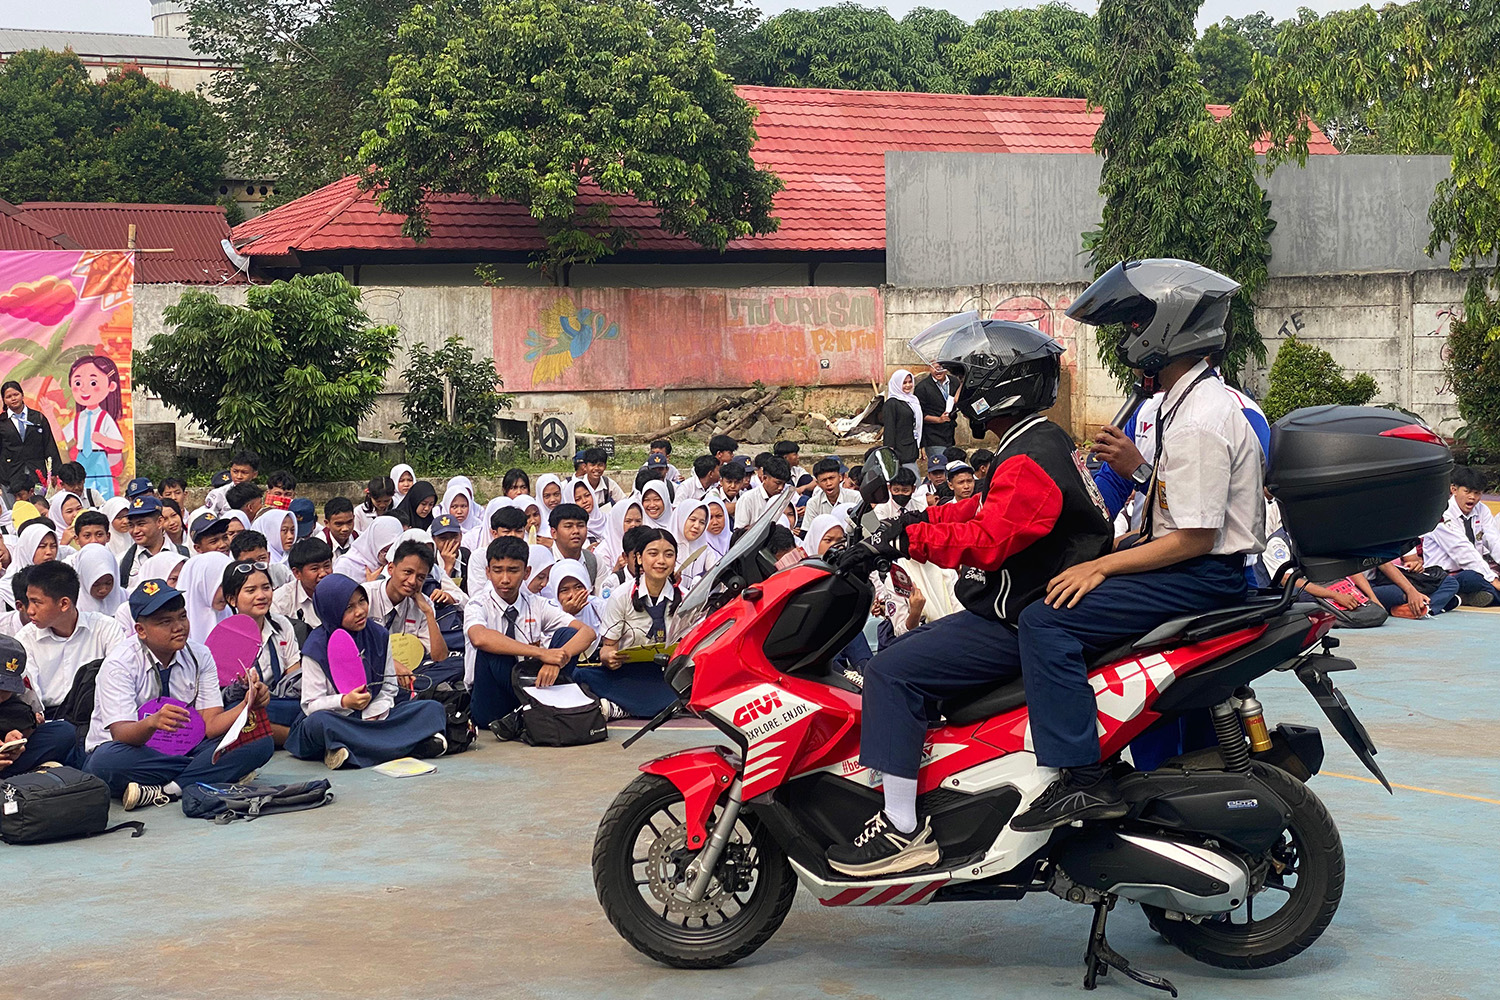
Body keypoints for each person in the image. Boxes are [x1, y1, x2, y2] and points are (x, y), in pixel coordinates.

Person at [825, 315, 1114, 878]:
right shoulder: (1032, 443)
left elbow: (988, 538)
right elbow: (979, 509)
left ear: (994, 386)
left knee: (890, 670)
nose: (957, 396)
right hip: (1019, 607)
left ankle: (903, 827)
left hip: (1019, 617)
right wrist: (908, 523)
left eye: (963, 382)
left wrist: (910, 537)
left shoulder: (1029, 456)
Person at [1002, 260, 1266, 832]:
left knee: (1045, 622)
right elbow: (1181, 509)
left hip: (1205, 573)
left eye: (1135, 322)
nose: (1128, 336)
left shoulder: (1198, 418)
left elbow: (1194, 538)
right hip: (1202, 565)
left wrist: (1101, 566)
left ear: (1169, 326)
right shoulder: (1185, 403)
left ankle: (1082, 777)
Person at [83, 579, 276, 809]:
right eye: (165, 622)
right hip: (132, 751)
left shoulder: (200, 654)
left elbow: (211, 724)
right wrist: (152, 723)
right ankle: (203, 772)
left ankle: (167, 789)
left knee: (260, 741)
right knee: (105, 763)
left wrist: (246, 704)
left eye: (182, 616)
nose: (179, 627)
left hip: (185, 746)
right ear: (141, 631)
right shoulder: (119, 664)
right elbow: (121, 733)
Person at [286, 573, 448, 769]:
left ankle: (347, 749)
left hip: (376, 716)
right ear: (331, 610)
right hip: (339, 718)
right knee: (318, 724)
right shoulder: (316, 647)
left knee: (432, 709)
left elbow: (389, 687)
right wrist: (345, 701)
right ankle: (407, 745)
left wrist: (374, 711)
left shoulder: (378, 634)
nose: (360, 611)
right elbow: (310, 705)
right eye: (349, 608)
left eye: (362, 601)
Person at [464, 536, 597, 729]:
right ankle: (530, 714)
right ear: (488, 572)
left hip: (532, 689)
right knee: (492, 647)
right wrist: (541, 653)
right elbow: (479, 637)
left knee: (567, 635)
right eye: (497, 570)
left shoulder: (536, 603)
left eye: (513, 570)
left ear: (526, 572)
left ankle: (531, 712)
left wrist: (559, 660)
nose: (505, 579)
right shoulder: (477, 604)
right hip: (491, 699)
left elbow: (587, 632)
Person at [577, 526, 682, 720]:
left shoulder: (684, 596)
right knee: (582, 674)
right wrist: (610, 658)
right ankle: (665, 706)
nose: (661, 561)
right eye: (653, 554)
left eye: (669, 554)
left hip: (667, 674)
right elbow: (608, 647)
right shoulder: (621, 596)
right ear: (640, 559)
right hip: (629, 672)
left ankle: (623, 708)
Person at [18, 560, 129, 735]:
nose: (29, 610)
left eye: (36, 602)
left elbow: (121, 679)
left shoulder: (105, 628)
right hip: (50, 723)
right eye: (28, 601)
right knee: (63, 735)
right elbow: (30, 692)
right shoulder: (25, 639)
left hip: (96, 718)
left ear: (64, 604)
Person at [219, 560, 303, 746]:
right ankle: (305, 740)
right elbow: (222, 695)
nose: (261, 596)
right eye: (251, 591)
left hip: (279, 702)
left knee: (307, 706)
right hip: (247, 705)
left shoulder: (282, 625)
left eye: (266, 588)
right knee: (240, 715)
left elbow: (294, 676)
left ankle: (291, 737)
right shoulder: (223, 638)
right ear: (232, 599)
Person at [1, 636, 83, 775]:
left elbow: (33, 718)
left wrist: (15, 738)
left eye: (7, 689)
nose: (1, 696)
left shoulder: (22, 678)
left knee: (64, 731)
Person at [1421, 466, 1500, 605]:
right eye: (1467, 491)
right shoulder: (1441, 513)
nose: (1472, 497)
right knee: (1473, 578)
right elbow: (1463, 551)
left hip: (1474, 569)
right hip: (1444, 575)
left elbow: (1494, 541)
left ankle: (1467, 597)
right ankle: (1473, 596)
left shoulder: (1482, 510)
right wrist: (1493, 580)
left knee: (1484, 575)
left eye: (1477, 493)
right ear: (1454, 490)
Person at [363, 539, 449, 664]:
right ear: (391, 568)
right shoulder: (365, 595)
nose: (412, 581)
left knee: (454, 666)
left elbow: (440, 657)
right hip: (371, 665)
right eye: (408, 572)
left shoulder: (424, 604)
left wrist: (429, 613)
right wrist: (391, 665)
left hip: (410, 672)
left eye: (421, 577)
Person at [0, 380, 63, 503]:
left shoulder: (38, 418)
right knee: (16, 511)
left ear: (22, 395)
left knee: (39, 507)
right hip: (11, 474)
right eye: (8, 397)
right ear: (4, 400)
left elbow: (49, 444)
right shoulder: (2, 422)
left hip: (37, 473)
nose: (13, 398)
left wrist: (55, 472)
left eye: (15, 394)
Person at [119, 497, 189, 592]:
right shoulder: (123, 562)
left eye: (141, 524)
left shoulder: (183, 554)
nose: (135, 531)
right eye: (131, 525)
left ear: (160, 522)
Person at [274, 537, 333, 628]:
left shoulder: (342, 592)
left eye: (327, 566)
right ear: (297, 573)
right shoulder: (280, 601)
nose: (323, 573)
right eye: (315, 569)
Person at [333, 515, 403, 582]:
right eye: (385, 550)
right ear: (373, 544)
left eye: (394, 549)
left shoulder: (397, 564)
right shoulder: (346, 566)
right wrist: (370, 586)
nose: (388, 555)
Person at [883, 369, 923, 475]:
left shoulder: (912, 400)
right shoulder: (892, 403)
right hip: (900, 451)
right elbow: (889, 429)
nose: (908, 385)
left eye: (910, 382)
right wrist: (889, 453)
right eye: (904, 383)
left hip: (911, 447)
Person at [914, 361, 958, 454]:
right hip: (933, 435)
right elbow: (919, 414)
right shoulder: (922, 387)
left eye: (941, 367)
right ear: (929, 368)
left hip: (949, 433)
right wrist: (938, 419)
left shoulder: (954, 382)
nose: (938, 371)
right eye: (934, 367)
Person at [549, 503, 598, 588]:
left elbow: (601, 598)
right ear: (554, 533)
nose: (576, 531)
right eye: (568, 526)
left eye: (581, 525)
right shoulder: (545, 562)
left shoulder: (594, 561)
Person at [735, 455, 790, 527]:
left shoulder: (785, 497)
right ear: (764, 478)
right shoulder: (747, 499)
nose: (781, 488)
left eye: (783, 484)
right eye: (778, 483)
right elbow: (740, 531)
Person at [74, 543, 125, 617]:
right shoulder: (73, 605)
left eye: (108, 583)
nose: (103, 590)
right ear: (84, 579)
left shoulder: (125, 598)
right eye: (95, 584)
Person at [206, 449, 261, 515]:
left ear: (254, 474)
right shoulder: (218, 494)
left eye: (244, 472)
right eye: (235, 472)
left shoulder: (258, 495)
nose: (239, 476)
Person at [804, 457, 859, 523]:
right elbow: (808, 530)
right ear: (818, 483)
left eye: (831, 478)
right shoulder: (813, 503)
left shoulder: (856, 498)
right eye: (823, 480)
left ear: (840, 477)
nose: (828, 483)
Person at [713, 461, 749, 526]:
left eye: (737, 482)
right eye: (729, 482)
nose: (733, 486)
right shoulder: (714, 494)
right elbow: (716, 510)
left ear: (742, 483)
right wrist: (741, 506)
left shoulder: (743, 495)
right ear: (721, 482)